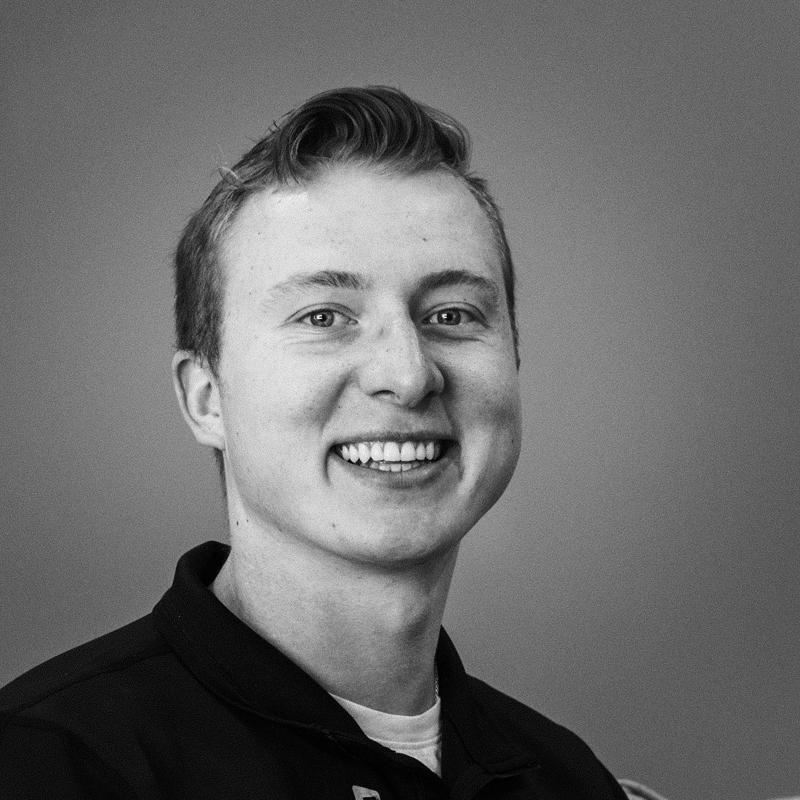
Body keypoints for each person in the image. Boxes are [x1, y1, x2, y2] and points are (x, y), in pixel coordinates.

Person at [0, 86, 647, 799]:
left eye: (453, 313)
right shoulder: (47, 766)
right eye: (325, 316)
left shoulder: (568, 779)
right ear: (205, 398)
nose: (407, 374)